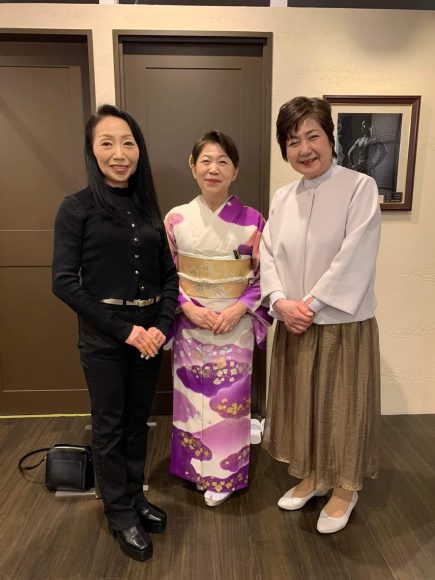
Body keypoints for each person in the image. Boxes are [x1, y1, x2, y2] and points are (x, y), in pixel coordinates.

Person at [52, 104, 178, 560]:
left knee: (137, 422)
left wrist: (160, 327)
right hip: (105, 338)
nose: (119, 153)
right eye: (107, 143)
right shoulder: (76, 208)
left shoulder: (147, 207)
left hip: (149, 338)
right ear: (92, 150)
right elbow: (63, 282)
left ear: (139, 150)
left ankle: (134, 495)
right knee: (108, 426)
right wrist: (126, 331)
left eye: (128, 143)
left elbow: (169, 277)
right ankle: (119, 512)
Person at [260, 97, 381, 534]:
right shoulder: (282, 197)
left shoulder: (359, 186)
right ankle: (313, 476)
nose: (304, 149)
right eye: (293, 141)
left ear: (331, 138)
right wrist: (279, 302)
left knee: (343, 407)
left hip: (340, 325)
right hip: (293, 322)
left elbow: (355, 255)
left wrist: (308, 305)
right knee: (302, 405)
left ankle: (345, 488)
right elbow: (267, 253)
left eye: (313, 136)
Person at [164, 131, 271, 507]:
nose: (214, 169)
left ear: (235, 171)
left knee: (230, 401)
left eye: (223, 161)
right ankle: (195, 469)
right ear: (192, 167)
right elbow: (166, 274)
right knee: (191, 398)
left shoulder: (253, 220)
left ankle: (224, 477)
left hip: (234, 324)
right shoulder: (176, 218)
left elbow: (265, 276)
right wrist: (186, 306)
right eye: (206, 161)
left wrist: (239, 309)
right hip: (191, 322)